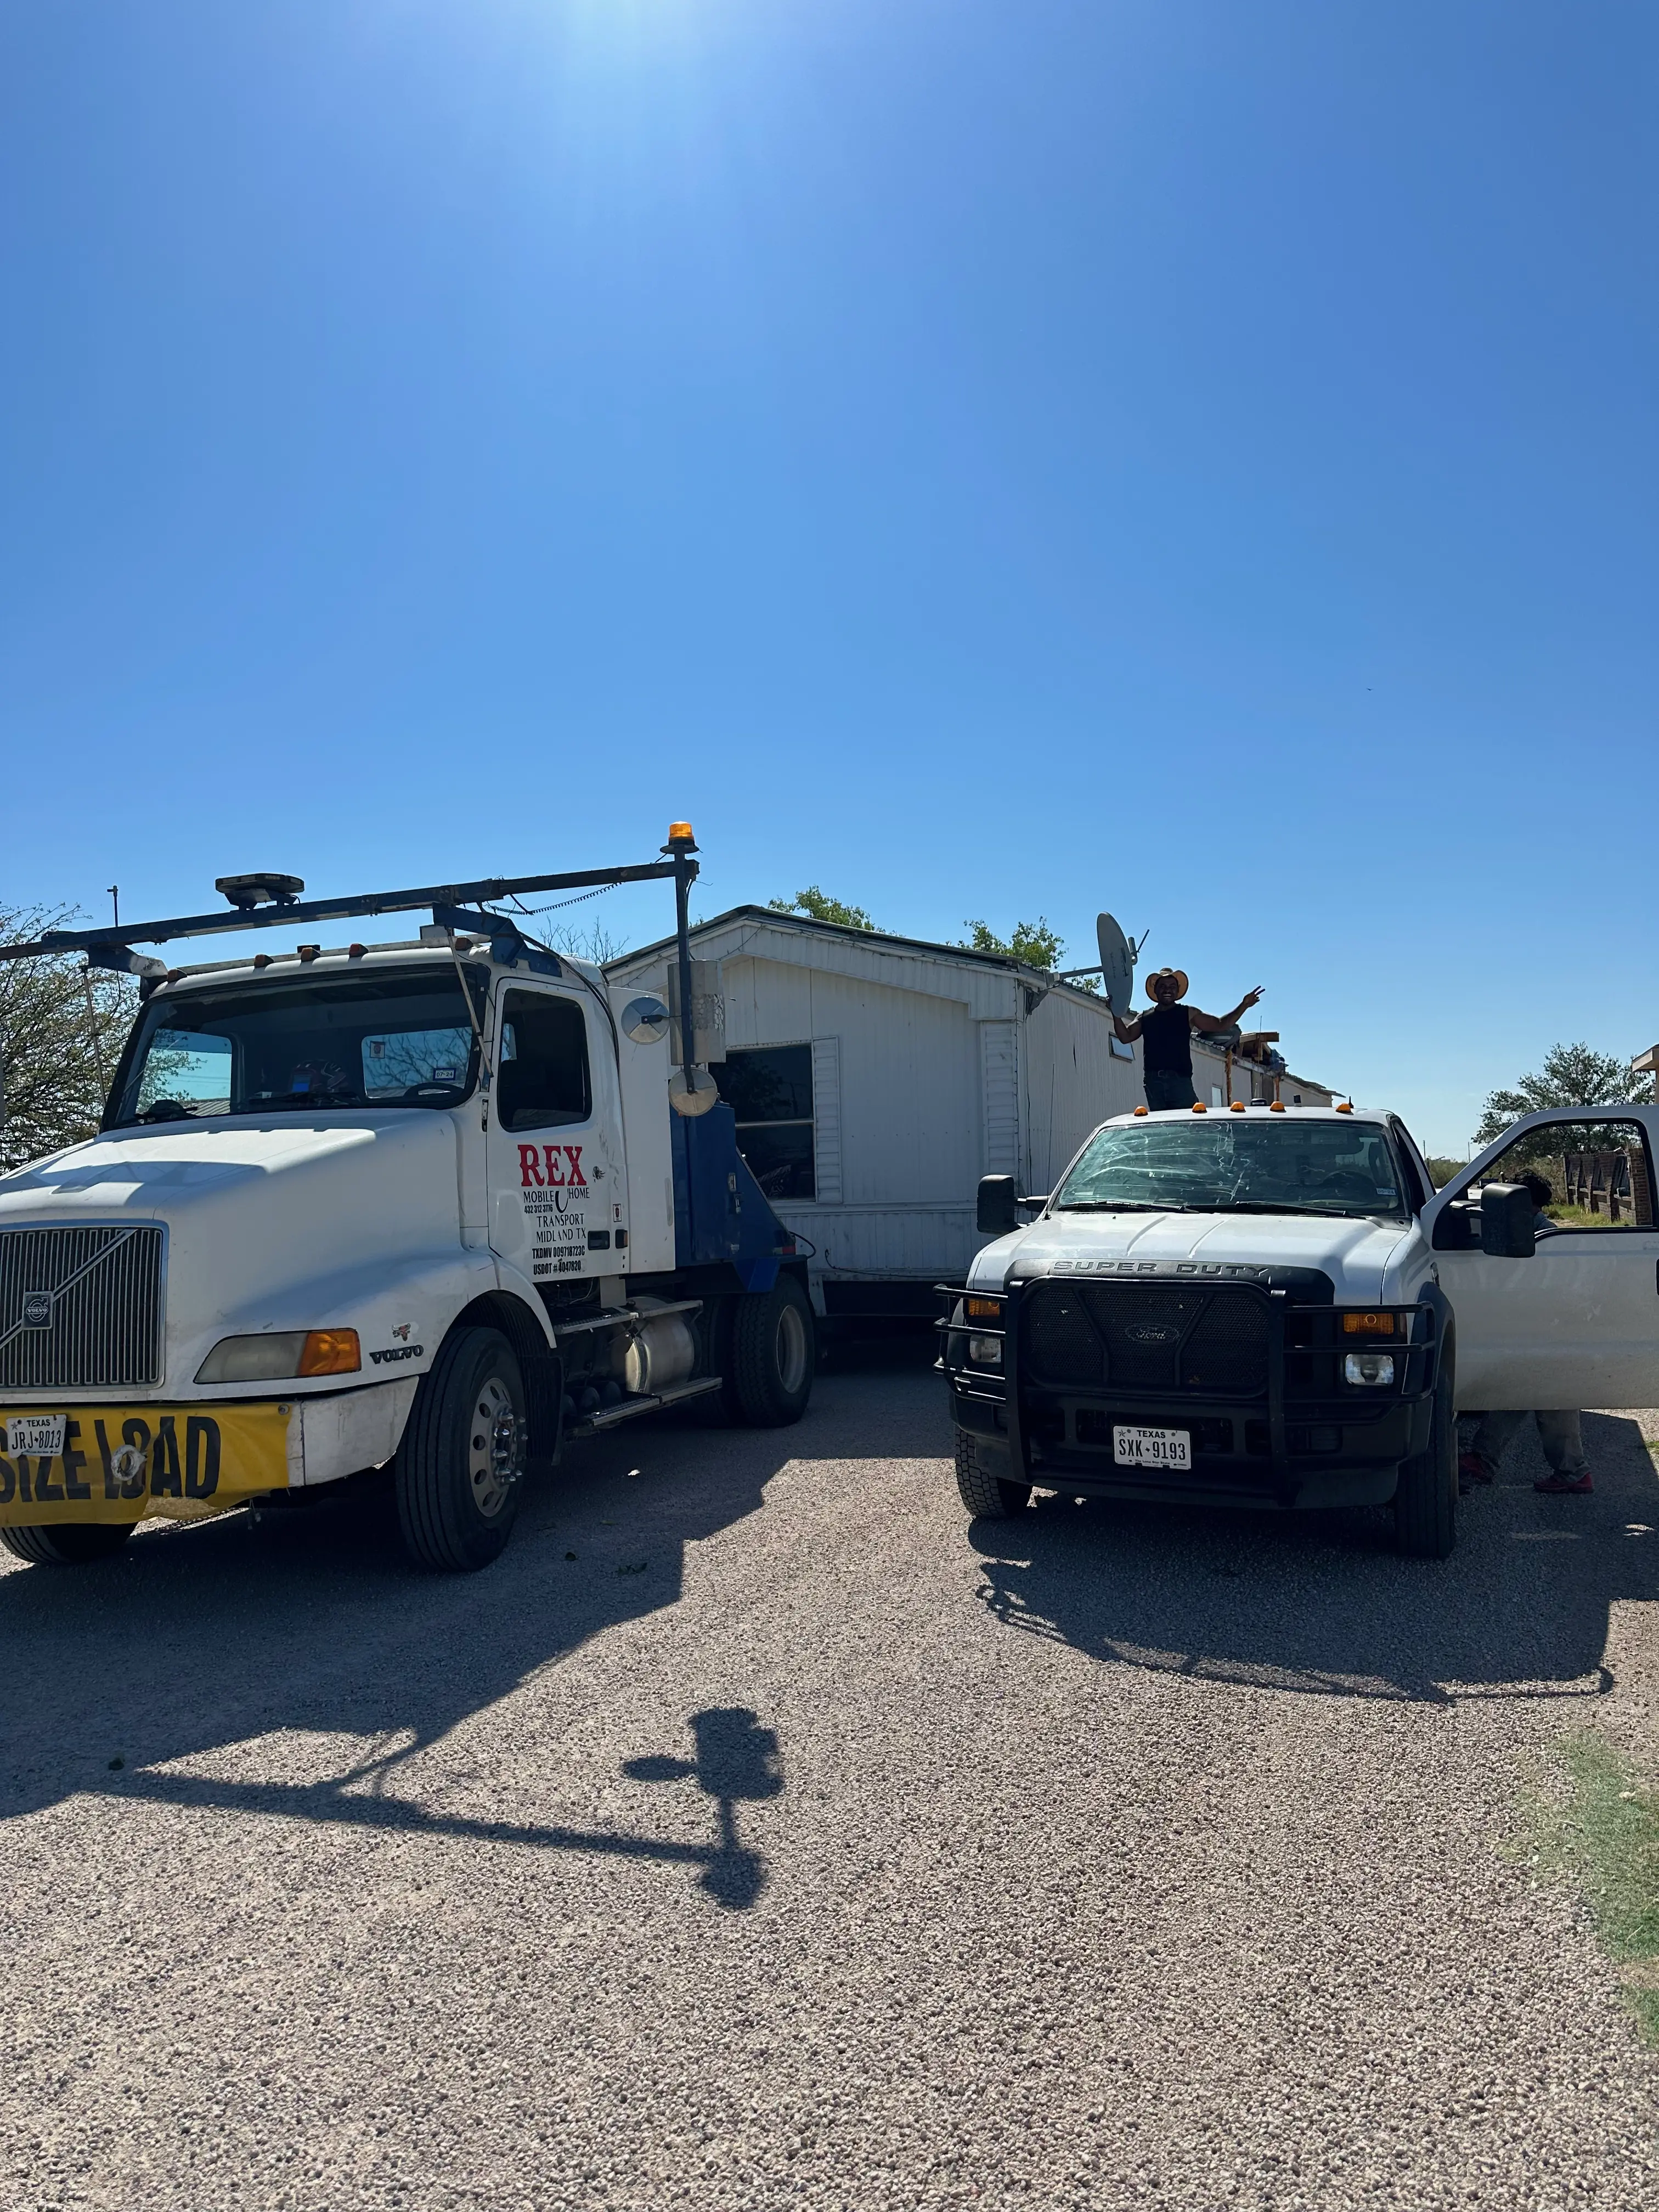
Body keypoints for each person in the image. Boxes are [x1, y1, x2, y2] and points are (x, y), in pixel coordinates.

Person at [1458, 1173, 1592, 1496]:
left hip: (1544, 1330)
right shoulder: (1527, 1229)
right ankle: (1483, 1460)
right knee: (1517, 1392)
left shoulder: (1544, 1235)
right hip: (1534, 1328)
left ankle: (1572, 1472)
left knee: (1548, 1397)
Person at [1111, 968, 1265, 1112]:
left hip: (1180, 1081)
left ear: (1177, 991)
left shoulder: (1188, 1013)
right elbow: (1125, 1037)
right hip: (1153, 1083)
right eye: (1163, 986)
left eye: (1172, 986)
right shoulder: (1145, 1017)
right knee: (1163, 1126)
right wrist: (1115, 1012)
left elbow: (1220, 1024)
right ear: (1156, 990)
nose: (1167, 990)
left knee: (1188, 1124)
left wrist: (1244, 1005)